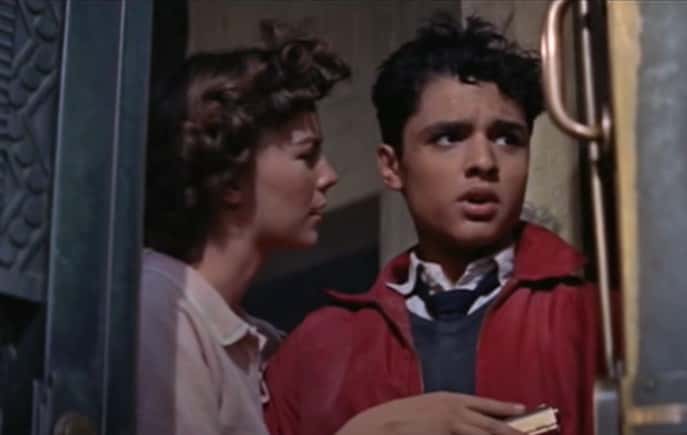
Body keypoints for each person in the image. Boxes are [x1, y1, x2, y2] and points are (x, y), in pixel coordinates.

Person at [137, 23, 526, 435]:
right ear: (231, 180)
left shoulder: (265, 343)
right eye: (307, 156)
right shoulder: (162, 307)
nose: (328, 176)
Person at [264, 13, 602, 435]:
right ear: (392, 167)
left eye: (507, 139)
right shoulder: (317, 350)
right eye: (448, 137)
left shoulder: (594, 317)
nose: (484, 162)